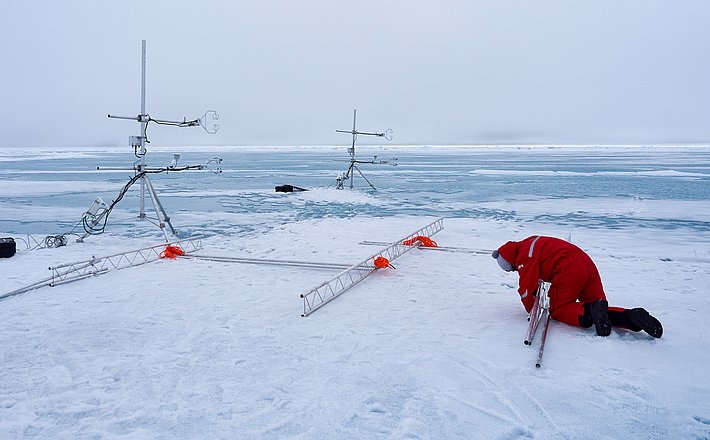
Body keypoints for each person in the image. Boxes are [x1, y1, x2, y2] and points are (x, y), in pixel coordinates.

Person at [492, 235, 663, 338]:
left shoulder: (524, 256)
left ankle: (592, 312)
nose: (514, 270)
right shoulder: (529, 242)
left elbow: (526, 289)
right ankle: (631, 317)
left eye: (512, 268)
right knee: (597, 308)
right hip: (586, 263)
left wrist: (532, 311)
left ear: (510, 261)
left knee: (559, 308)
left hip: (568, 267)